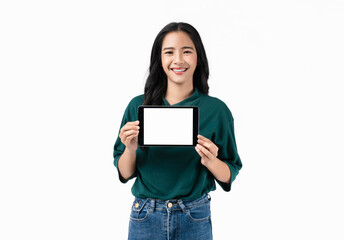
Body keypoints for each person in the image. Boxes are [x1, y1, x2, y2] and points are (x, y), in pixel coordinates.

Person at [113, 22, 242, 240]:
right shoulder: (137, 107)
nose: (178, 60)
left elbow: (230, 172)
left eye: (187, 51)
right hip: (146, 215)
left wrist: (211, 161)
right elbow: (125, 173)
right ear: (159, 59)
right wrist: (130, 148)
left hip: (194, 215)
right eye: (169, 52)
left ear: (198, 57)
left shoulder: (216, 110)